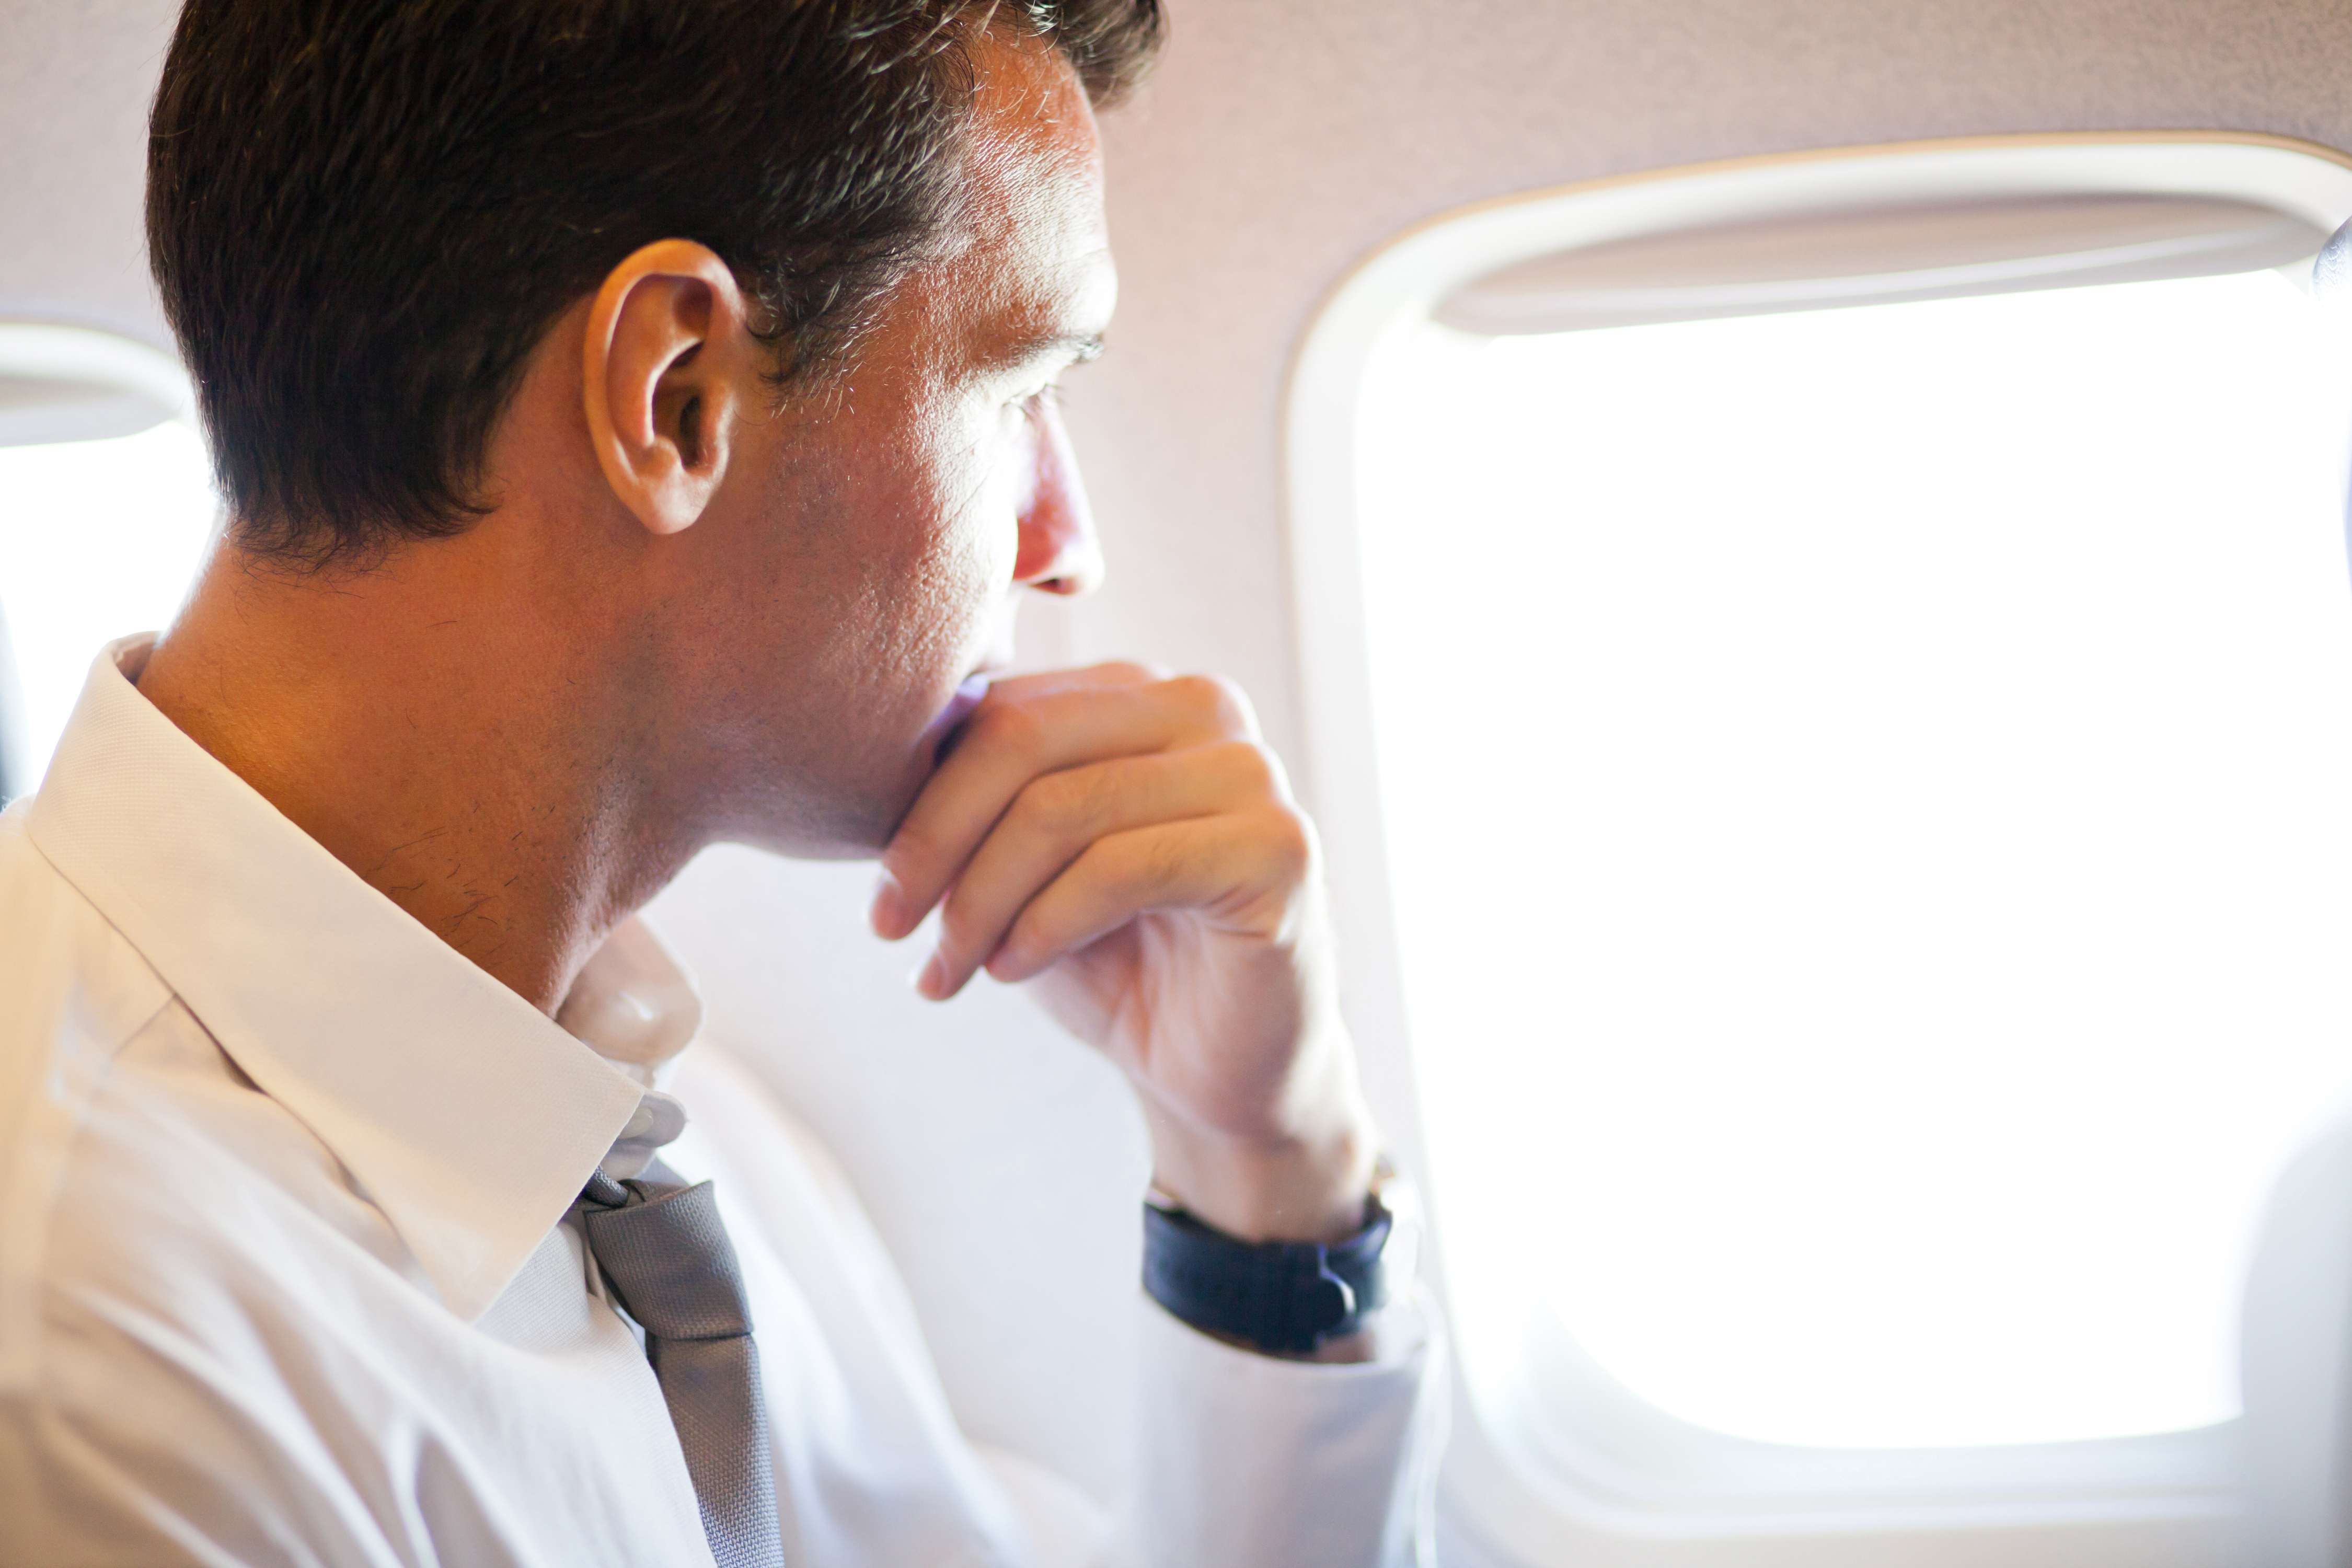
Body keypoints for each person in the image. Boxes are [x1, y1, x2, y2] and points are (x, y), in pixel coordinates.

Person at [0, 2, 1442, 1564]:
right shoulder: (99, 1369)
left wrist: (1266, 1167)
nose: (1059, 543)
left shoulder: (658, 1145)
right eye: (1018, 390)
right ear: (675, 396)